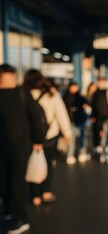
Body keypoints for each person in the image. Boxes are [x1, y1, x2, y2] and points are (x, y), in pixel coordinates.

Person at [0, 64, 46, 234]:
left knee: (17, 182)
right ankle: (9, 211)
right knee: (4, 180)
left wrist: (38, 140)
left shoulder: (22, 94)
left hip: (20, 146)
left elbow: (37, 117)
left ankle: (21, 218)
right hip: (3, 147)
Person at [23, 69, 72, 206]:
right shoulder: (52, 94)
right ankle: (46, 192)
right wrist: (67, 133)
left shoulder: (23, 95)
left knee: (31, 164)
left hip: (30, 137)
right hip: (49, 136)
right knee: (48, 164)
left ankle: (35, 195)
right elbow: (61, 114)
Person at [63, 82, 90, 164]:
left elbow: (87, 105)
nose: (74, 89)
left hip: (81, 119)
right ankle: (70, 155)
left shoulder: (81, 97)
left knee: (82, 137)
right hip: (71, 120)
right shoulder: (65, 98)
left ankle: (82, 153)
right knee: (71, 138)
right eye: (73, 87)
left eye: (76, 87)